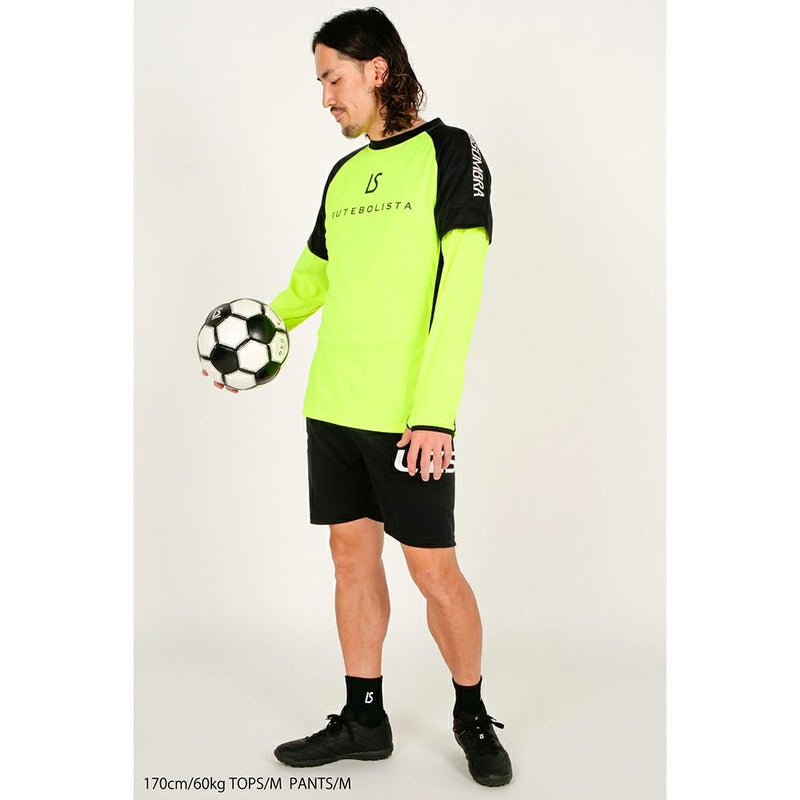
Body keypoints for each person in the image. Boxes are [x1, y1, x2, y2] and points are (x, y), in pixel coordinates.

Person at [203, 6, 511, 787]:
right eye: (320, 82)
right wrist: (252, 339)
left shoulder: (451, 152)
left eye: (333, 78)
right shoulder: (342, 176)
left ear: (378, 69)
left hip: (409, 419)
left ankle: (471, 712)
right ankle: (364, 717)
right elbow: (311, 282)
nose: (326, 98)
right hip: (333, 405)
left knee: (434, 571)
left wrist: (435, 415)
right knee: (350, 558)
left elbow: (462, 289)